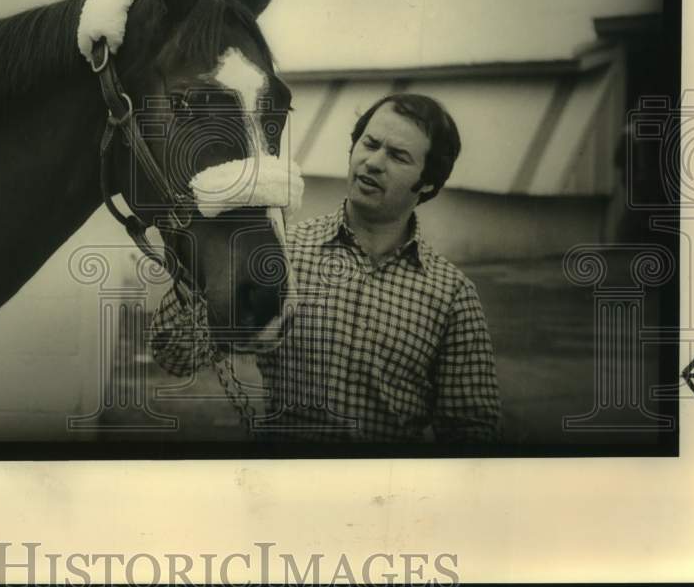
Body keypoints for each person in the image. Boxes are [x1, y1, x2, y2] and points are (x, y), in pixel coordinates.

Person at [150, 93, 502, 443]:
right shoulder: (282, 253)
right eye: (370, 143)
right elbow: (175, 355)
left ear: (427, 182)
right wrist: (211, 263)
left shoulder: (452, 295)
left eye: (397, 156)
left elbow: (472, 430)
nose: (374, 162)